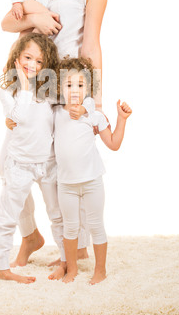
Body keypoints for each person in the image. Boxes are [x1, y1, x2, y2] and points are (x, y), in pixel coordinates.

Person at [1, 0, 108, 267]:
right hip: (30, 85)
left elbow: (90, 45)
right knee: (9, 164)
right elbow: (6, 23)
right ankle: (32, 235)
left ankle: (72, 248)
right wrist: (41, 15)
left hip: (64, 90)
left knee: (58, 169)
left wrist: (95, 102)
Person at [0, 33, 66, 284]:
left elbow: (62, 116)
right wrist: (24, 86)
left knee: (57, 215)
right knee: (8, 215)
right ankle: (3, 268)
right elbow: (19, 117)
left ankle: (66, 261)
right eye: (27, 57)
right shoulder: (9, 90)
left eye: (39, 61)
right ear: (17, 57)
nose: (32, 64)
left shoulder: (49, 91)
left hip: (48, 163)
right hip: (19, 164)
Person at [54, 57, 132, 284]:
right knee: (70, 228)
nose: (75, 90)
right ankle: (71, 269)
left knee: (96, 224)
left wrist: (121, 119)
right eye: (69, 85)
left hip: (91, 182)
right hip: (66, 184)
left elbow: (114, 144)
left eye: (80, 85)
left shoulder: (94, 116)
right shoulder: (56, 114)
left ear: (88, 87)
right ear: (60, 87)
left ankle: (100, 269)